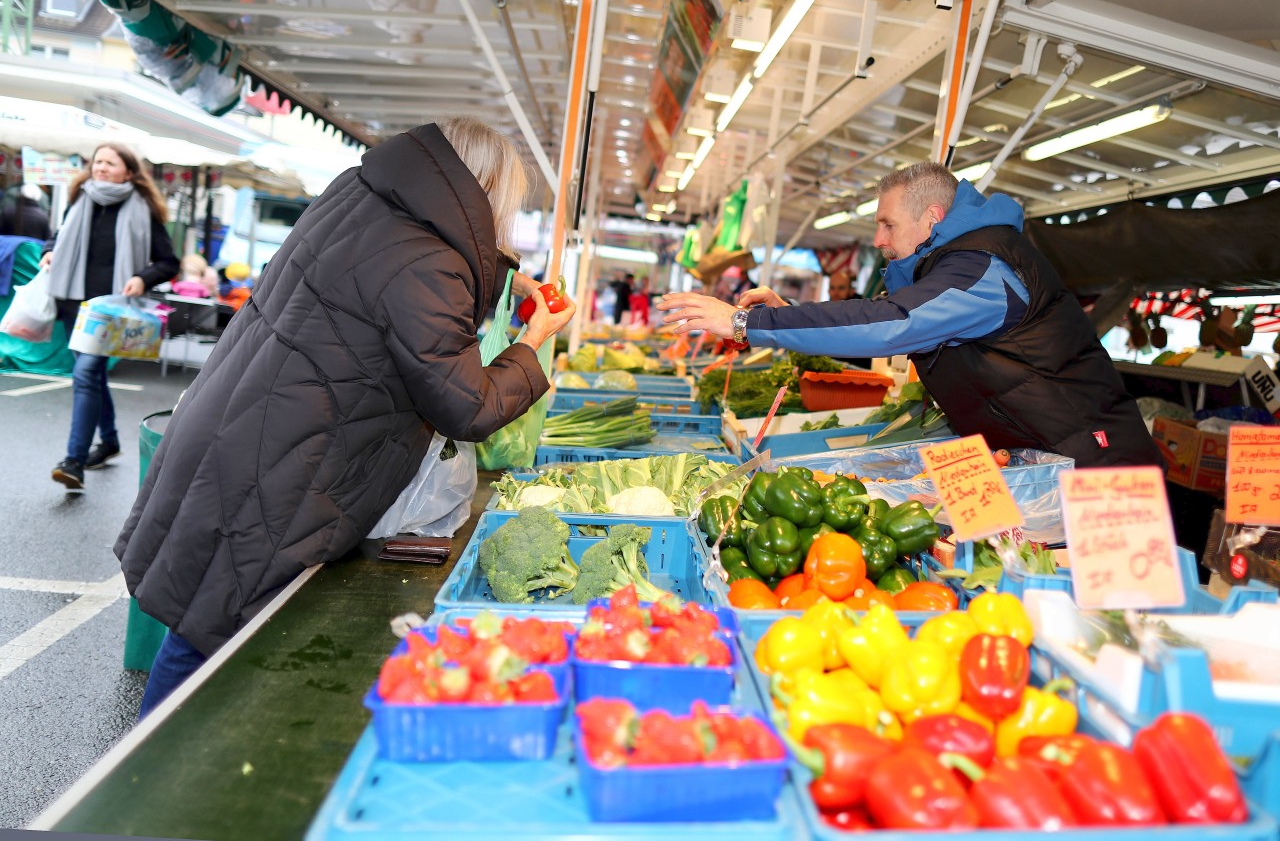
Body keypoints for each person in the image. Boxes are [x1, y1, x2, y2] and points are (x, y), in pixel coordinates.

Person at [116, 117, 575, 717]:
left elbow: (391, 309)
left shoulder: (360, 199)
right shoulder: (431, 262)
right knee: (210, 632)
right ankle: (146, 791)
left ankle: (151, 773)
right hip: (287, 461)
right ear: (486, 191)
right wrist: (533, 341)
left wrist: (501, 281)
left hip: (243, 425)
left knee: (204, 616)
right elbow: (467, 403)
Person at [660, 161, 1159, 468]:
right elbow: (888, 314)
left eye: (886, 224)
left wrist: (748, 324)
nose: (878, 240)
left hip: (1096, 463)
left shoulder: (985, 267)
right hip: (1041, 455)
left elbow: (894, 323)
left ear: (932, 219)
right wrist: (792, 313)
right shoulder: (954, 266)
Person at [43, 143, 179, 489]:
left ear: (129, 172)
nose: (100, 168)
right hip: (74, 302)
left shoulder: (143, 208)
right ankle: (110, 441)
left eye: (109, 163)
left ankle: (74, 461)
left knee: (86, 373)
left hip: (113, 312)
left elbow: (168, 262)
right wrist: (48, 253)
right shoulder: (80, 197)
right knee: (92, 376)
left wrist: (141, 278)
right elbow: (57, 237)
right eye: (97, 162)